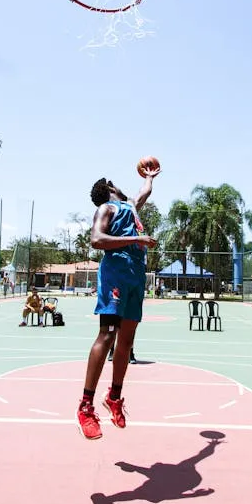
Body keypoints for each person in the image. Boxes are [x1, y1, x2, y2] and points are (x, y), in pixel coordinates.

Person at [77, 168, 159, 440]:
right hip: (117, 271)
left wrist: (150, 177)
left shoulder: (131, 206)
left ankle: (114, 397)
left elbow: (143, 193)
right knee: (108, 334)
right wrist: (136, 239)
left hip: (136, 273)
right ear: (110, 187)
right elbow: (97, 240)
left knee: (127, 340)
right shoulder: (107, 208)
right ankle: (86, 406)